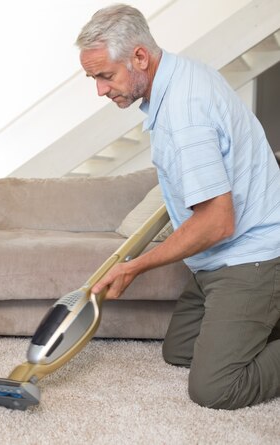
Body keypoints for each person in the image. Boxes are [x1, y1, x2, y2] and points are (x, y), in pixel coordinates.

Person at [76, 4, 280, 409]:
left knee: (215, 387)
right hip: (214, 263)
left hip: (249, 257)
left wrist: (134, 266)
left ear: (139, 57)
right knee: (180, 351)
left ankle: (264, 300)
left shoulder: (186, 112)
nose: (99, 89)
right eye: (92, 77)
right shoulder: (178, 81)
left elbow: (218, 222)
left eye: (104, 75)